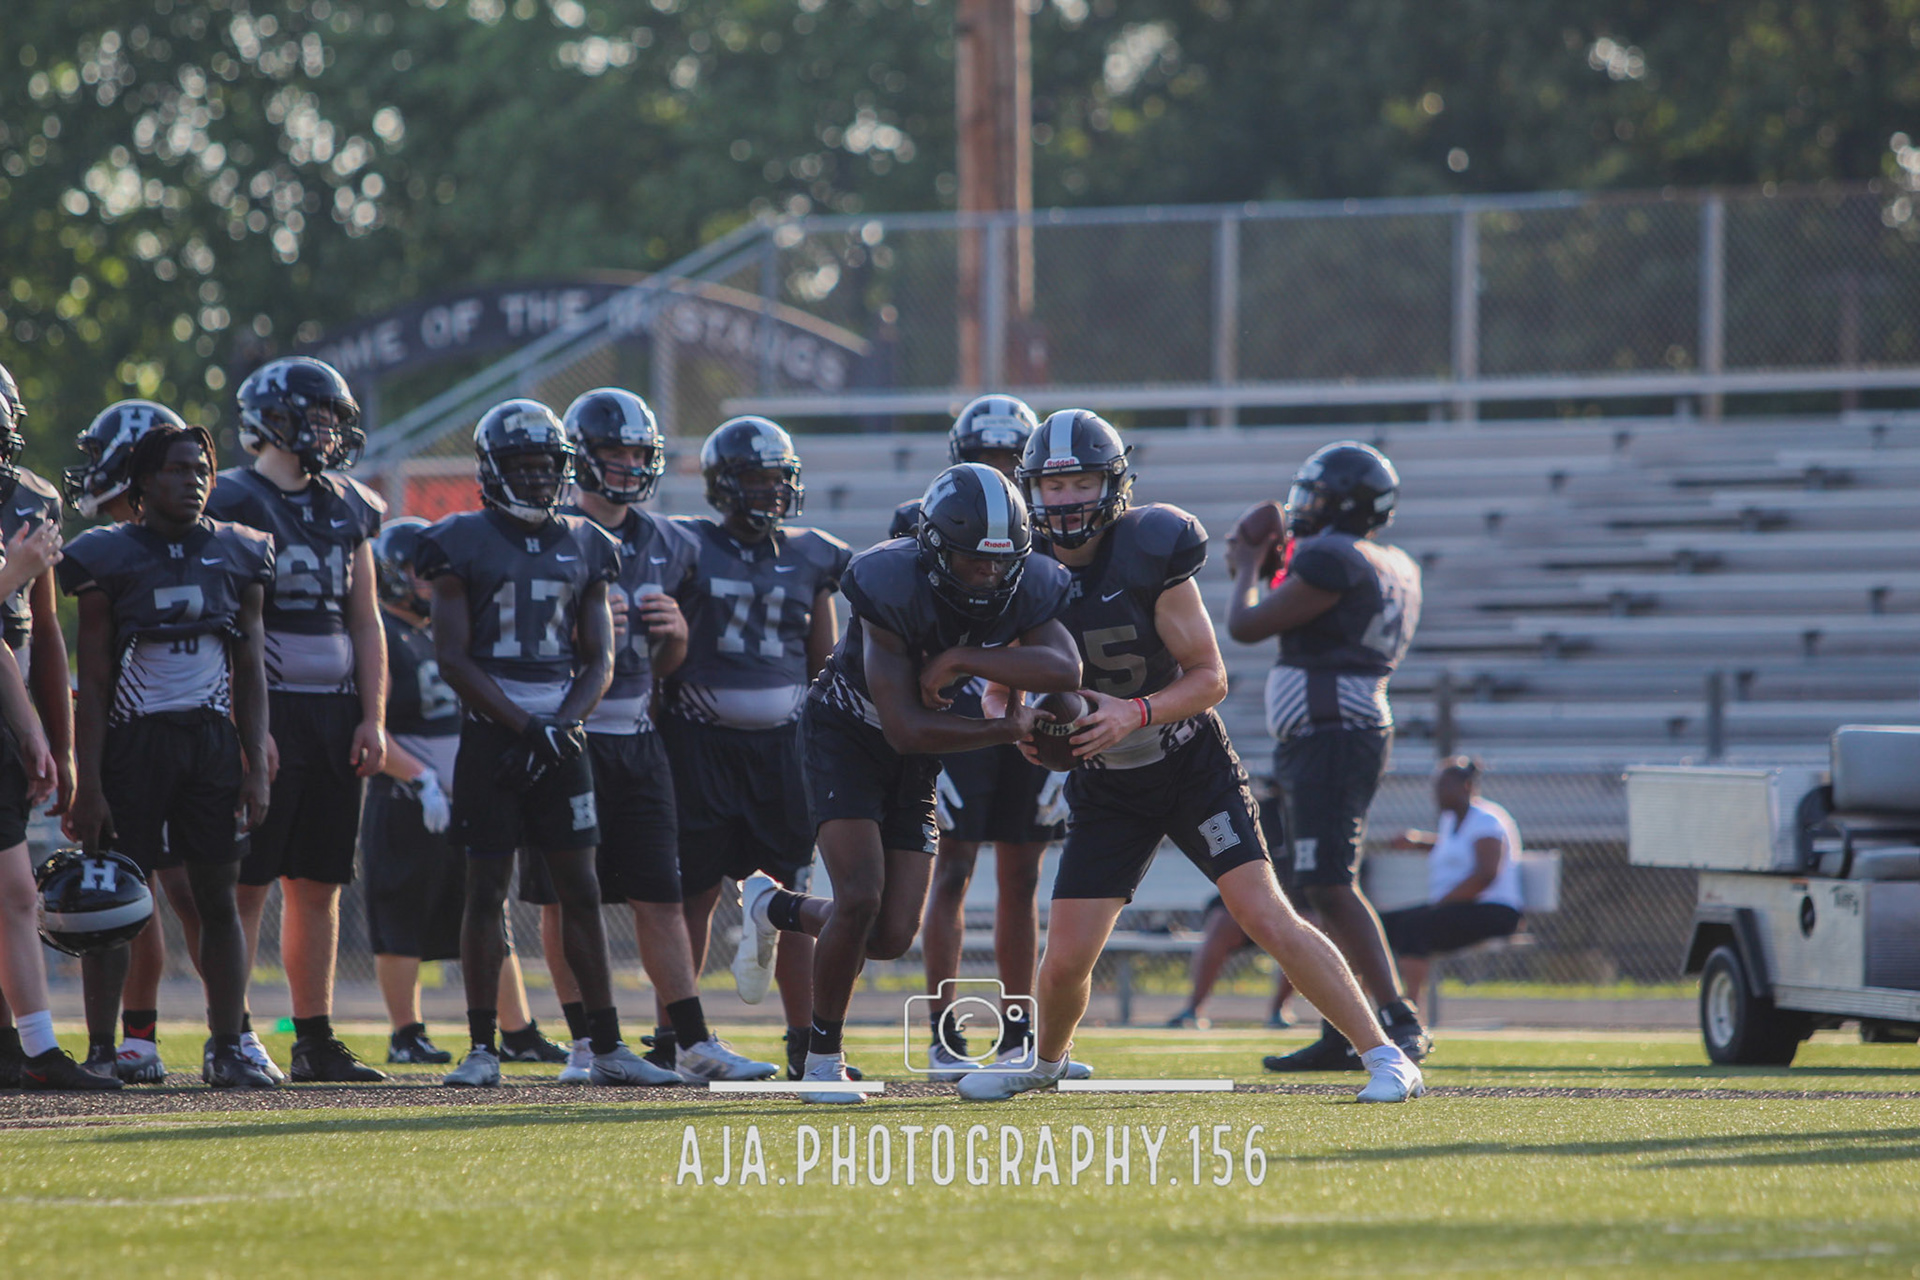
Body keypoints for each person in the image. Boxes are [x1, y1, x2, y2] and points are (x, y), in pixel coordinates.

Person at [958, 410, 1423, 1105]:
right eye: (1053, 486)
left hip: (1187, 763)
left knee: (1266, 915)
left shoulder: (1151, 548)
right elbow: (998, 688)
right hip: (1105, 782)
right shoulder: (1022, 572)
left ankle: (1386, 1055)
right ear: (1032, 489)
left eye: (1082, 482)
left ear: (1115, 485)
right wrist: (1016, 725)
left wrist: (1133, 711)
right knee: (1065, 960)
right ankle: (1046, 1062)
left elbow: (1210, 677)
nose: (1067, 500)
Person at [737, 461, 1083, 1103]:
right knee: (859, 898)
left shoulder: (1026, 581)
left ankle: (773, 907)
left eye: (1000, 562)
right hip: (847, 734)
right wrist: (1005, 729)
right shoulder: (889, 583)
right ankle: (821, 1061)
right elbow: (903, 728)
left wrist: (962, 658)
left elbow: (1065, 668)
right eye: (973, 560)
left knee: (890, 936)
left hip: (918, 750)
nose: (988, 574)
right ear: (935, 549)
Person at [416, 398, 668, 1089]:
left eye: (546, 465)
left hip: (560, 736)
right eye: (522, 465)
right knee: (485, 891)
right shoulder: (457, 540)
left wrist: (560, 724)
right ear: (492, 470)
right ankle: (481, 1047)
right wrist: (527, 727)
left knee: (581, 890)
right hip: (494, 736)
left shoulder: (589, 542)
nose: (536, 478)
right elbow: (452, 657)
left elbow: (600, 658)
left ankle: (605, 1045)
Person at [539, 387, 776, 1083]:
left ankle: (690, 1041)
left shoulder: (670, 541)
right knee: (564, 895)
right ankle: (585, 1043)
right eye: (614, 451)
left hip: (641, 737)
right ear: (582, 456)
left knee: (663, 897)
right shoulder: (550, 533)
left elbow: (666, 666)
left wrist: (675, 636)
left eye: (638, 453)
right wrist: (578, 632)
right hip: (569, 736)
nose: (629, 465)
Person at [59, 417, 278, 1088]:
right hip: (134, 742)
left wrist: (254, 764)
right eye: (179, 470)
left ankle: (229, 1045)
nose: (195, 481)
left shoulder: (241, 551)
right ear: (144, 481)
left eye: (202, 470)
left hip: (210, 741)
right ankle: (105, 1049)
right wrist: (88, 782)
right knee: (111, 900)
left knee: (217, 897)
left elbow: (251, 670)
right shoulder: (106, 555)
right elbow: (94, 682)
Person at [1224, 440, 1433, 1074]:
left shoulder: (1331, 556)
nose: (1303, 506)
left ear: (1341, 502)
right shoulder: (1389, 561)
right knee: (1318, 883)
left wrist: (1247, 565)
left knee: (1330, 884)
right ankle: (1343, 1030)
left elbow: (1247, 625)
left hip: (1332, 732)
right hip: (1341, 728)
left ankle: (1396, 1018)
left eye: (1315, 495)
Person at [208, 356, 389, 1085]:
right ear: (274, 420)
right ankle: (235, 1032)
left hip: (335, 712)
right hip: (269, 708)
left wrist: (373, 716)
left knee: (319, 883)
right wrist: (248, 725)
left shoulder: (352, 504)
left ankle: (313, 1038)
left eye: (332, 419)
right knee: (248, 881)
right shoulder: (231, 498)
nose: (327, 432)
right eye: (315, 417)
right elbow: (223, 622)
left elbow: (366, 620)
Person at [657, 417, 851, 1081]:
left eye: (778, 478)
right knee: (693, 896)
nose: (771, 491)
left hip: (782, 751)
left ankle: (805, 1040)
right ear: (724, 484)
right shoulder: (687, 545)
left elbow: (824, 664)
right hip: (698, 744)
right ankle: (675, 1035)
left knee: (791, 896)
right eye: (756, 478)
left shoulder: (812, 554)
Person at [889, 395, 1070, 1077]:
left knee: (1022, 875)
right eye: (984, 455)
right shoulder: (920, 519)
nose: (997, 468)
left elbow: (1056, 632)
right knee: (954, 868)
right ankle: (945, 1030)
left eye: (1008, 457)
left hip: (1026, 704)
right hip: (957, 709)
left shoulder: (1044, 527)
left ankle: (1019, 1030)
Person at [364, 517, 558, 1064]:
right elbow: (369, 727)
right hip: (408, 801)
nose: (430, 581)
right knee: (401, 919)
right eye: (419, 571)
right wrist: (420, 779)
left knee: (489, 913)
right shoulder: (381, 634)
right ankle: (406, 1033)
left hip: (466, 799)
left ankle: (517, 1031)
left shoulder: (450, 631)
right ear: (392, 572)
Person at [0, 369, 114, 1092]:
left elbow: (31, 635)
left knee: (13, 891)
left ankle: (29, 1049)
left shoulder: (32, 498)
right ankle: (34, 1049)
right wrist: (12, 569)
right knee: (13, 890)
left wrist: (48, 738)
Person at [1383, 756, 1524, 1004]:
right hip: (1457, 907)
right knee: (1380, 925)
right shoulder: (1450, 821)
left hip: (1494, 911)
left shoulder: (1487, 820)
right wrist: (1418, 843)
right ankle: (1369, 1004)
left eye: (1444, 786)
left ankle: (1409, 1011)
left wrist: (1443, 902)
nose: (1438, 793)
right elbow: (1453, 848)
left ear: (1466, 786)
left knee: (1414, 927)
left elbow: (1486, 875)